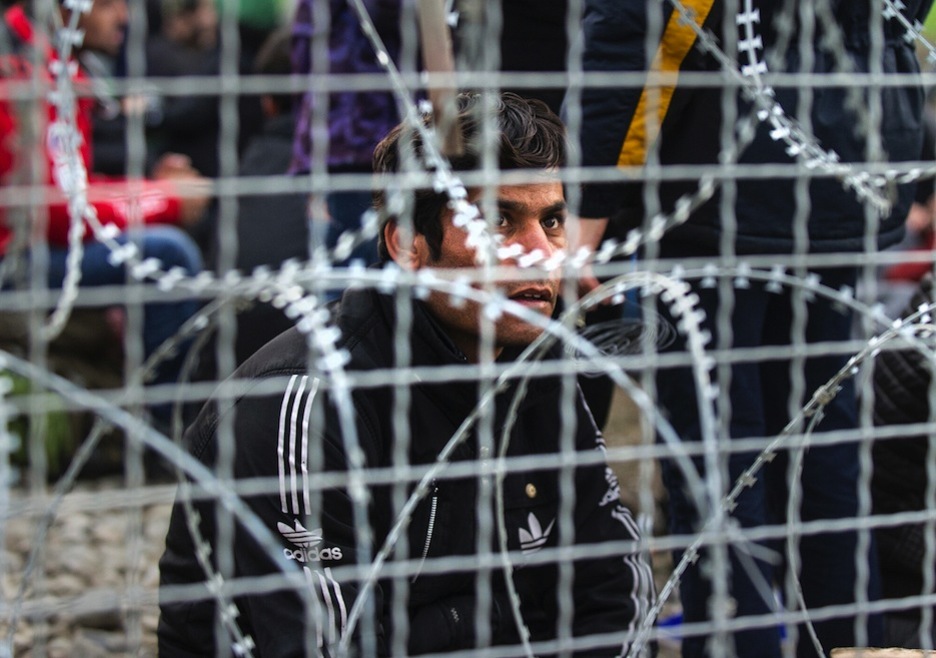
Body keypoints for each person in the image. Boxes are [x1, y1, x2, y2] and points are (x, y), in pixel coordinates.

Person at [158, 92, 656, 656]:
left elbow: (614, 589)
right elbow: (331, 641)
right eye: (498, 219)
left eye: (553, 221)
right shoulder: (309, 402)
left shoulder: (543, 371)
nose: (540, 252)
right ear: (407, 245)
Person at [574, 1, 933, 657]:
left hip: (717, 172)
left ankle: (744, 644)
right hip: (847, 156)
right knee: (822, 439)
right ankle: (850, 642)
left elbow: (642, 28)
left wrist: (588, 203)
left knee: (720, 458)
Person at [0, 1, 208, 403]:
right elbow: (48, 211)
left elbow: (73, 185)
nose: (124, 18)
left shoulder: (50, 62)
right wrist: (163, 200)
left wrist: (153, 190)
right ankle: (167, 437)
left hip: (29, 252)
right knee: (168, 253)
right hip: (14, 263)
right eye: (110, 3)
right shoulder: (17, 68)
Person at [288, 0, 403, 278]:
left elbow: (301, 57)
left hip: (338, 142)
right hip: (361, 142)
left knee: (344, 272)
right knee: (362, 275)